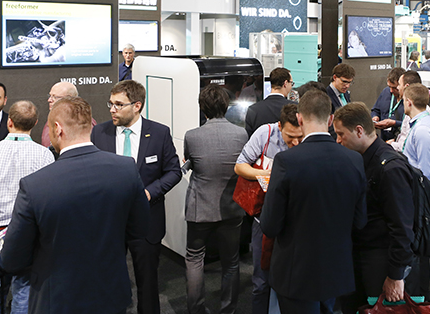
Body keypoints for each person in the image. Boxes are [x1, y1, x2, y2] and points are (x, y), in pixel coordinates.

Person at [0, 97, 151, 314]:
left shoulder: (35, 185)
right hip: (111, 295)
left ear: (58, 129)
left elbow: (13, 259)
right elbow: (140, 230)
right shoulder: (126, 169)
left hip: (57, 300)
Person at [260, 90, 367, 314]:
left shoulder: (286, 161)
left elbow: (270, 225)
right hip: (336, 271)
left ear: (299, 118)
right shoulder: (354, 160)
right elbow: (360, 221)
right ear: (330, 119)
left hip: (296, 273)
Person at [90, 80, 182, 314]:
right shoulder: (99, 133)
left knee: (147, 282)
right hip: (110, 222)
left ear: (137, 106)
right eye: (110, 103)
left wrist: (150, 192)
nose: (112, 109)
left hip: (146, 221)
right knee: (109, 280)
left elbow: (173, 172)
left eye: (119, 105)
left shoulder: (159, 133)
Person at [0, 100, 54, 314]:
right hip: (28, 238)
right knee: (24, 291)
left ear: (9, 122)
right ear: (36, 122)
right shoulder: (44, 155)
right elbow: (50, 201)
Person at [333, 103, 417, 311]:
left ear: (359, 131)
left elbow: (402, 227)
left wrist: (395, 275)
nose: (338, 140)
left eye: (341, 134)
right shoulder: (363, 160)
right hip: (363, 257)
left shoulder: (390, 169)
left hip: (380, 262)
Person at [184, 84, 249, 314]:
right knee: (231, 262)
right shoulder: (241, 134)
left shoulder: (192, 136)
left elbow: (190, 161)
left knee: (194, 259)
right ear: (226, 106)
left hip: (199, 207)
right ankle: (228, 309)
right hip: (231, 207)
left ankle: (196, 310)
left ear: (203, 108)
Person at [235, 104, 302, 314]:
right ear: (280, 126)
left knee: (292, 279)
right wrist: (266, 175)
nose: (295, 143)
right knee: (261, 279)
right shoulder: (265, 134)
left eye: (299, 137)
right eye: (290, 137)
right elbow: (240, 165)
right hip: (263, 218)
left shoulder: (307, 139)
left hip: (294, 221)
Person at [399, 83, 430, 185]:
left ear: (409, 102)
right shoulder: (421, 124)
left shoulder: (422, 130)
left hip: (419, 189)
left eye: (403, 100)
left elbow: (425, 171)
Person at [245, 67, 293, 137]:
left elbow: (249, 138)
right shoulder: (294, 108)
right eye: (291, 83)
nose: (291, 86)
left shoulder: (253, 110)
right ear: (285, 83)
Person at [388, 71, 425, 150]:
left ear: (406, 87)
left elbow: (408, 145)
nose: (398, 88)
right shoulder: (410, 111)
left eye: (399, 84)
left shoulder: (419, 115)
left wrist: (391, 145)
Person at [370, 67, 406, 141]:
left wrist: (395, 123)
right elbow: (375, 110)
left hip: (400, 140)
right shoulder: (385, 92)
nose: (391, 91)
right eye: (389, 87)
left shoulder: (409, 100)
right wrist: (375, 117)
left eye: (394, 88)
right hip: (384, 139)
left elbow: (411, 124)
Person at [41, 81, 79, 148]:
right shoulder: (51, 120)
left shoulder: (82, 122)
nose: (49, 100)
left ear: (68, 99)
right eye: (50, 96)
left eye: (55, 97)